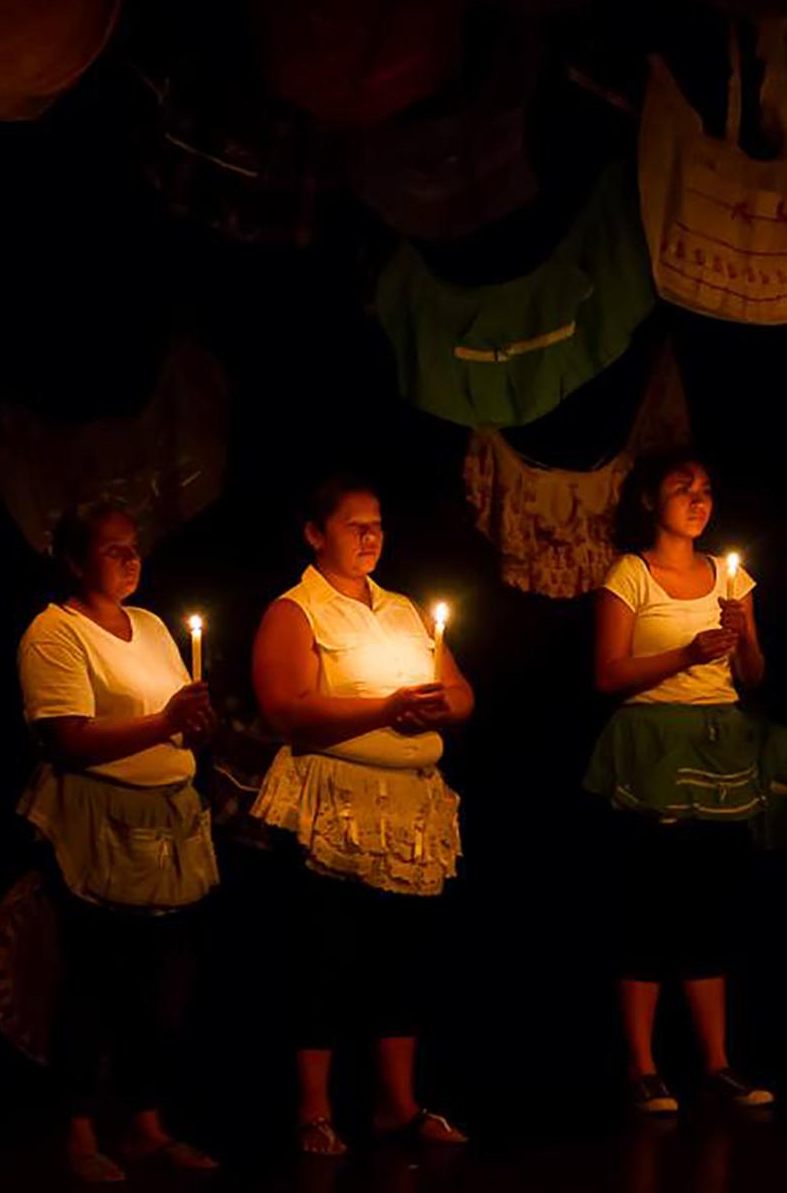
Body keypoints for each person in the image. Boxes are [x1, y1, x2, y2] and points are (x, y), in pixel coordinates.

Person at [250, 476, 475, 1154]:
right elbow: (287, 707)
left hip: (407, 809)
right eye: (355, 525)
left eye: (377, 523)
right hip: (335, 806)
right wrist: (384, 708)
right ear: (316, 533)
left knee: (402, 958)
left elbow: (461, 688)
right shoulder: (295, 610)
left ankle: (396, 1103)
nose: (372, 536)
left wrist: (443, 704)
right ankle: (314, 1108)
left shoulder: (404, 608)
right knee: (325, 956)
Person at [16, 501, 221, 1181]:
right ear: (74, 561)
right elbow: (68, 738)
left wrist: (191, 725)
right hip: (97, 822)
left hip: (163, 826)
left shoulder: (155, 625)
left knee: (164, 987)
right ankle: (76, 1131)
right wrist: (165, 722)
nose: (132, 561)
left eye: (135, 548)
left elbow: (171, 717)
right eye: (113, 550)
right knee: (93, 982)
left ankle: (144, 1124)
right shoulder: (55, 634)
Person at [587, 452, 775, 1115]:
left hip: (719, 744)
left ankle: (717, 1062)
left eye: (706, 488)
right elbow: (608, 674)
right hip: (654, 747)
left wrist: (738, 637)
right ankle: (641, 1064)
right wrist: (685, 653)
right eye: (682, 488)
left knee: (710, 906)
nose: (698, 498)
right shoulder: (631, 574)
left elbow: (752, 673)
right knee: (650, 906)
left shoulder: (731, 575)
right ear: (649, 500)